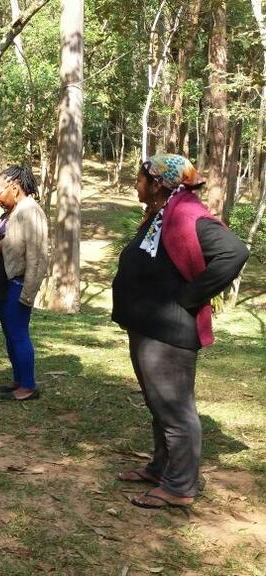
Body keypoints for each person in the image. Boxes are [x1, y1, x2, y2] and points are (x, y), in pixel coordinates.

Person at [112, 154, 248, 510]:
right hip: (149, 326)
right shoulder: (164, 212)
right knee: (160, 406)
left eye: (140, 178)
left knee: (175, 410)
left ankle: (179, 486)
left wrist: (188, 297)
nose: (136, 184)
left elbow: (234, 252)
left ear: (158, 183)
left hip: (168, 333)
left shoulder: (187, 213)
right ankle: (161, 468)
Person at [0, 166, 48, 401]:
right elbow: (3, 244)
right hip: (4, 284)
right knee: (10, 334)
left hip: (18, 284)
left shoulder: (30, 212)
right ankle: (19, 379)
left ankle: (28, 386)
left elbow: (26, 253)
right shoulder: (12, 213)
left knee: (18, 334)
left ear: (14, 188)